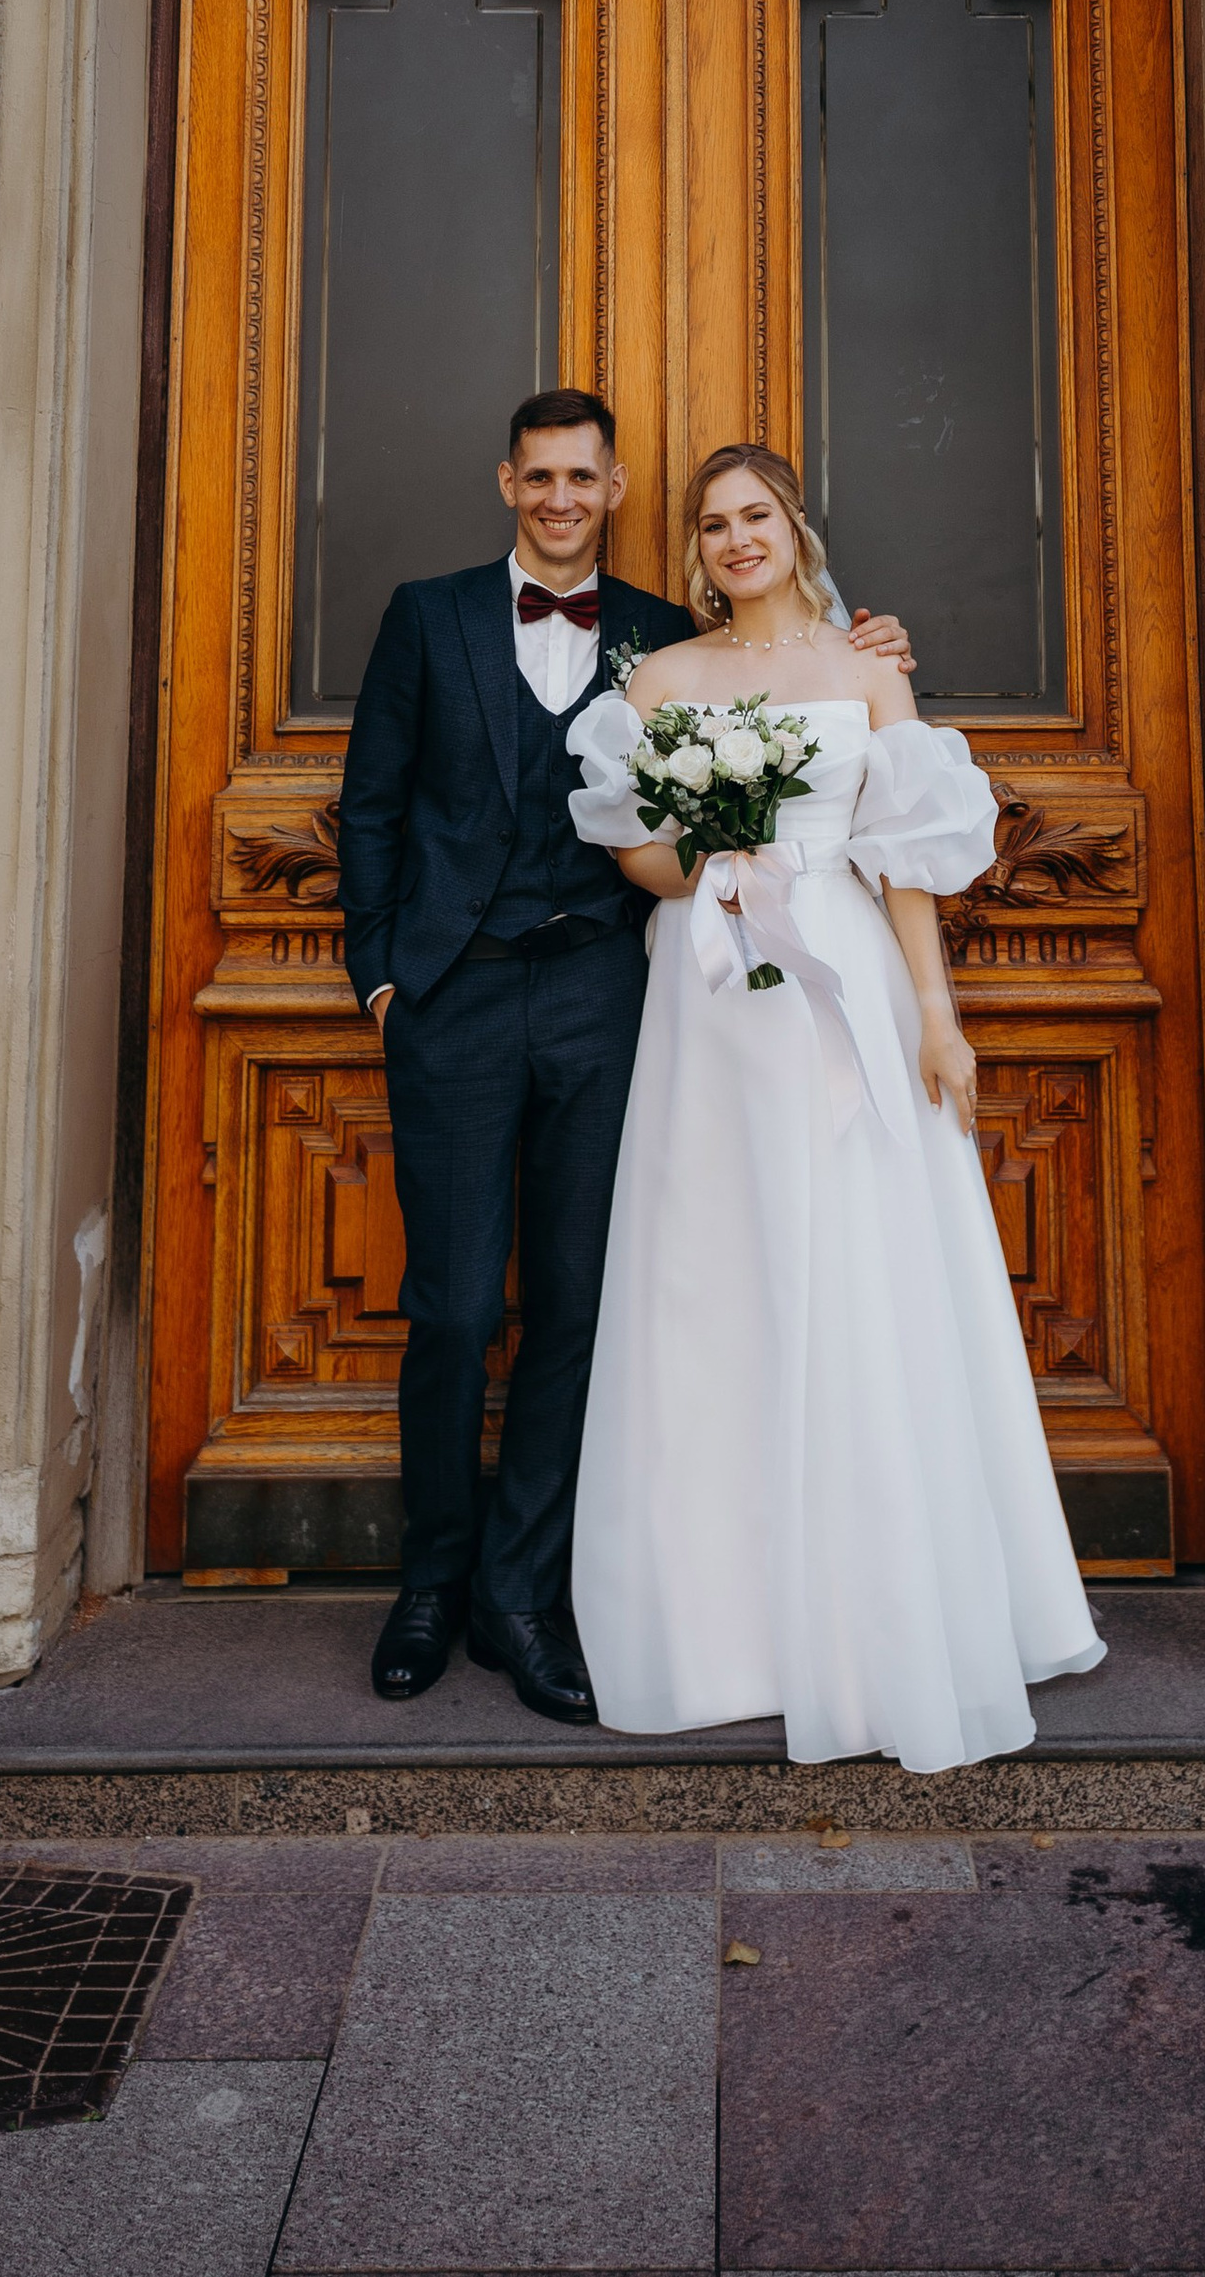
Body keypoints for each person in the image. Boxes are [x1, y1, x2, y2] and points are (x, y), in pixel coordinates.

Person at [335, 391, 913, 1722]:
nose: (558, 497)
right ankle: (430, 1579)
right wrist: (378, 976)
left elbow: (797, 674)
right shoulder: (428, 616)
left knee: (580, 1306)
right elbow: (370, 801)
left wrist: (876, 639)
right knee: (458, 1306)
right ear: (507, 483)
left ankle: (521, 1597)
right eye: (538, 477)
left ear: (616, 486)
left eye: (581, 478)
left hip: (613, 999)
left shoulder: (663, 634)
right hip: (453, 999)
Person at [566, 443, 1104, 1771]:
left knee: (857, 1273)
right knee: (713, 1281)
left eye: (756, 516)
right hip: (711, 993)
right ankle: (721, 1629)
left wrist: (937, 1014)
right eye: (714, 524)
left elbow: (906, 859)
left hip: (840, 987)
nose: (736, 538)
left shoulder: (870, 668)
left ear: (795, 527)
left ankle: (878, 1617)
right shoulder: (662, 679)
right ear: (695, 551)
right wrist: (711, 852)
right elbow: (630, 849)